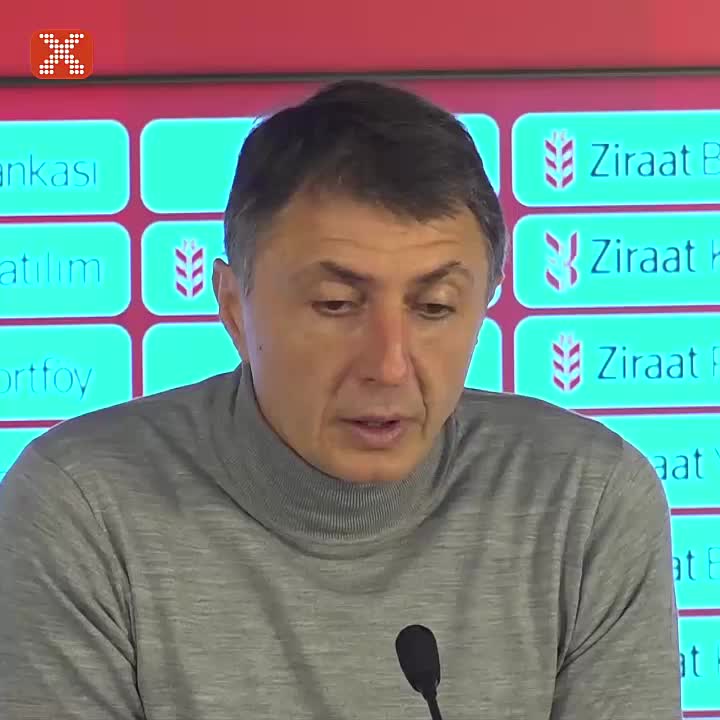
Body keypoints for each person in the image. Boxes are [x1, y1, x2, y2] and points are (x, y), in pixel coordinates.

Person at [0, 79, 681, 720]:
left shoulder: (586, 502)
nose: (389, 365)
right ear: (234, 308)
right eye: (335, 304)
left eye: (435, 306)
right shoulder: (82, 509)